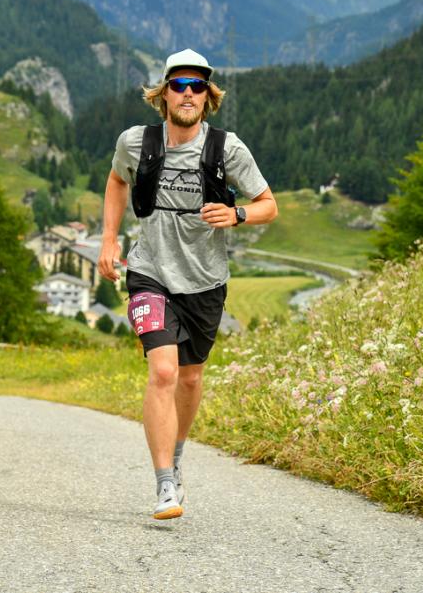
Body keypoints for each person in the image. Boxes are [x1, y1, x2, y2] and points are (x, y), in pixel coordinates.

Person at [98, 48, 278, 519]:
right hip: (149, 271)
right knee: (163, 372)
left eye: (198, 87)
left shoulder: (227, 149)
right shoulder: (135, 142)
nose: (188, 94)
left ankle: (176, 458)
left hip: (205, 280)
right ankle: (163, 486)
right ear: (163, 94)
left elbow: (268, 205)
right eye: (179, 85)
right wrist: (109, 240)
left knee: (191, 377)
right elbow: (117, 182)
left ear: (208, 97)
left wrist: (237, 214)